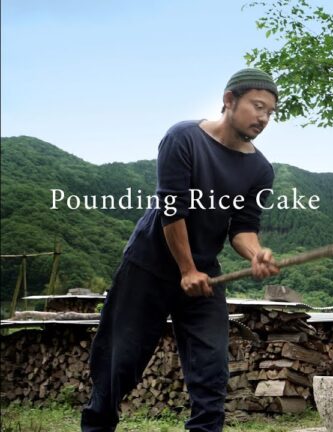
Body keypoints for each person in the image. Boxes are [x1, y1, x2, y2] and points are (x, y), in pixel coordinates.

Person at [81, 68, 281, 432]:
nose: (264, 118)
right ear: (229, 100)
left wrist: (256, 254)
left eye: (271, 112)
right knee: (117, 364)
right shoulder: (183, 138)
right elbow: (172, 210)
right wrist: (185, 269)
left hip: (206, 275)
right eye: (257, 106)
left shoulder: (260, 170)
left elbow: (243, 229)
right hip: (148, 267)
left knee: (212, 373)